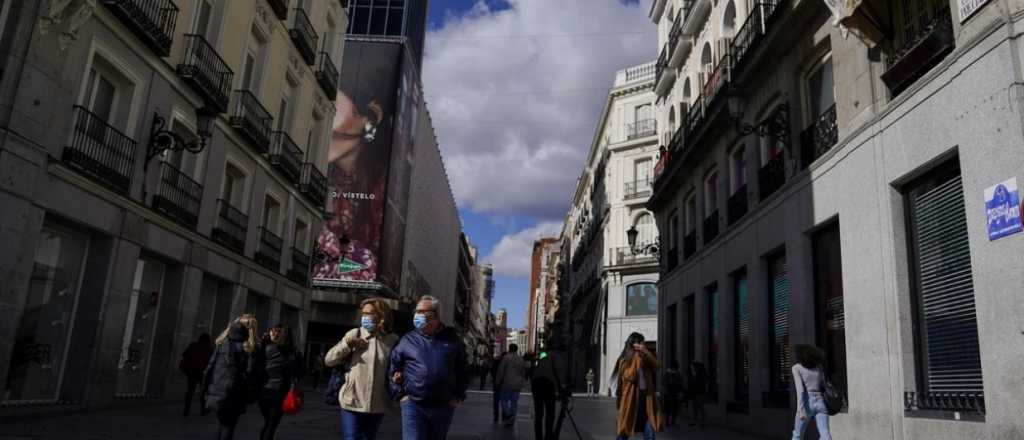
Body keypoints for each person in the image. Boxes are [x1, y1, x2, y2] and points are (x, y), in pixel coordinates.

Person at [388, 295, 469, 440]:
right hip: (413, 405)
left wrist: (457, 396)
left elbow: (462, 369)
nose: (418, 315)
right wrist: (400, 394)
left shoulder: (452, 339)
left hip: (443, 406)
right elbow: (393, 367)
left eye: (423, 312)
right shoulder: (407, 340)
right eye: (417, 312)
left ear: (435, 316)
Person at [326, 298, 399, 440]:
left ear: (381, 316)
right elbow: (329, 360)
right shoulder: (355, 334)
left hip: (378, 404)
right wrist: (347, 346)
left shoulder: (392, 340)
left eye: (369, 314)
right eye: (363, 313)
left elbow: (397, 366)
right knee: (351, 437)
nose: (364, 317)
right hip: (352, 400)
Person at [203, 314, 262, 440]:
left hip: (216, 388)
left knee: (222, 425)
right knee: (228, 427)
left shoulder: (221, 343)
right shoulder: (250, 348)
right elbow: (251, 373)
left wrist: (206, 388)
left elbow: (210, 367)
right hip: (235, 392)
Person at [258, 323, 305, 440]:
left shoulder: (266, 349)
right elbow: (300, 373)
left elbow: (257, 366)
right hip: (280, 393)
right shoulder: (295, 353)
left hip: (263, 391)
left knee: (268, 422)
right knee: (271, 425)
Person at [613, 333, 662, 440]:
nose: (643, 345)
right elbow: (631, 376)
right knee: (624, 433)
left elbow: (657, 366)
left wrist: (646, 352)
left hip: (647, 400)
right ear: (634, 344)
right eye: (641, 343)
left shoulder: (644, 357)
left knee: (650, 435)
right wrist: (636, 357)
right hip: (631, 401)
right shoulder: (624, 361)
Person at [791, 345, 832, 440]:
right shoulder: (819, 367)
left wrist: (800, 409)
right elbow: (823, 384)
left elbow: (800, 390)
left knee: (797, 435)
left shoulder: (796, 368)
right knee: (825, 434)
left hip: (806, 402)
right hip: (820, 401)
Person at [530, 348, 564, 440]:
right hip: (548, 383)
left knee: (539, 413)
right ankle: (548, 436)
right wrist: (559, 388)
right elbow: (558, 372)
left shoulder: (544, 354)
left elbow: (534, 360)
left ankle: (538, 437)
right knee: (550, 413)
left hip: (536, 382)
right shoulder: (556, 356)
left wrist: (535, 372)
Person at [180, 333, 213, 417]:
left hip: (192, 370)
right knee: (203, 392)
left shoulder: (193, 345)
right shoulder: (209, 348)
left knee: (190, 390)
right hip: (203, 372)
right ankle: (203, 409)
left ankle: (186, 409)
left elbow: (184, 355)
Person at [495, 343, 527, 428]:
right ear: (516, 350)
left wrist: (497, 382)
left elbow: (500, 371)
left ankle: (509, 415)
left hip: (507, 383)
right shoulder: (521, 359)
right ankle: (512, 419)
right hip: (518, 384)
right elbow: (523, 372)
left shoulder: (506, 358)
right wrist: (522, 382)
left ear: (509, 349)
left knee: (503, 400)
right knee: (514, 402)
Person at [662, 361, 684, 427]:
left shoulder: (668, 374)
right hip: (672, 393)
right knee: (673, 408)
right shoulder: (676, 374)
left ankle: (668, 422)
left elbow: (663, 382)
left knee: (670, 408)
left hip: (670, 393)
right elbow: (681, 383)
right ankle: (671, 421)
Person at [686, 361, 708, 427]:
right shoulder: (692, 374)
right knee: (694, 407)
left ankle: (703, 421)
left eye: (692, 366)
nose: (691, 367)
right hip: (693, 392)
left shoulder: (701, 374)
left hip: (700, 392)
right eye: (691, 366)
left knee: (700, 406)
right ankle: (694, 421)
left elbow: (702, 383)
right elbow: (690, 383)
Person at [491, 351, 505, 423]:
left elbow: (492, 371)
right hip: (504, 385)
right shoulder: (506, 363)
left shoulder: (496, 362)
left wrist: (494, 378)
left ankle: (496, 416)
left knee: (496, 401)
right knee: (504, 401)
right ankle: (503, 416)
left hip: (497, 384)